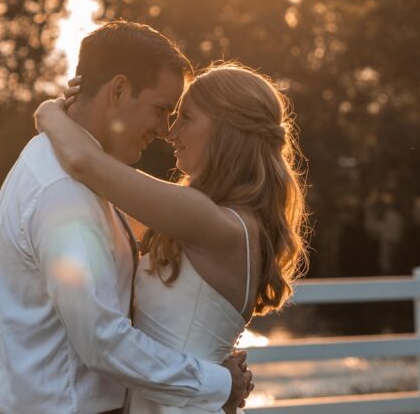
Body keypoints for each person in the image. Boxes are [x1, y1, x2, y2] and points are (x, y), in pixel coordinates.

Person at [0, 21, 251, 414]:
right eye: (161, 110)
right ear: (119, 90)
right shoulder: (62, 192)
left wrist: (51, 112)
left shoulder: (84, 174)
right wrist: (216, 383)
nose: (163, 130)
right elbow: (101, 340)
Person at [35, 61, 310, 414]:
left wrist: (48, 111)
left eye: (186, 117)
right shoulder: (218, 221)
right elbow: (105, 199)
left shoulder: (212, 222)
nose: (171, 131)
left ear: (227, 130)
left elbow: (84, 163)